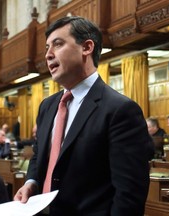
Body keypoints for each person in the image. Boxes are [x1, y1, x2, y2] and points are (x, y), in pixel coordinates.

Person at [14, 16, 150, 216]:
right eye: (46, 48)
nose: (48, 55)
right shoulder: (47, 106)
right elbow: (38, 155)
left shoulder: (120, 110)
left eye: (58, 44)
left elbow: (129, 194)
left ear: (87, 47)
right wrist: (31, 182)